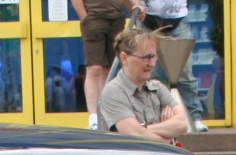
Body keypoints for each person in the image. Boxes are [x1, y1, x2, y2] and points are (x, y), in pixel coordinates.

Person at [124, 0, 207, 131]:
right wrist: (137, 4)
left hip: (178, 18)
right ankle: (153, 118)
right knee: (150, 72)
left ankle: (194, 117)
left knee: (184, 72)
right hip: (147, 18)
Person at [98, 27, 189, 143]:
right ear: (124, 58)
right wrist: (168, 139)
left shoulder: (158, 87)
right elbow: (134, 135)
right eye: (145, 57)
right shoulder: (113, 91)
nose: (151, 64)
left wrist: (144, 129)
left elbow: (182, 123)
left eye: (154, 56)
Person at [73, 0, 137, 129]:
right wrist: (85, 18)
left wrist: (136, 7)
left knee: (109, 69)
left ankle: (105, 113)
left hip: (117, 18)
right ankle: (93, 118)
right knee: (94, 68)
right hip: (94, 18)